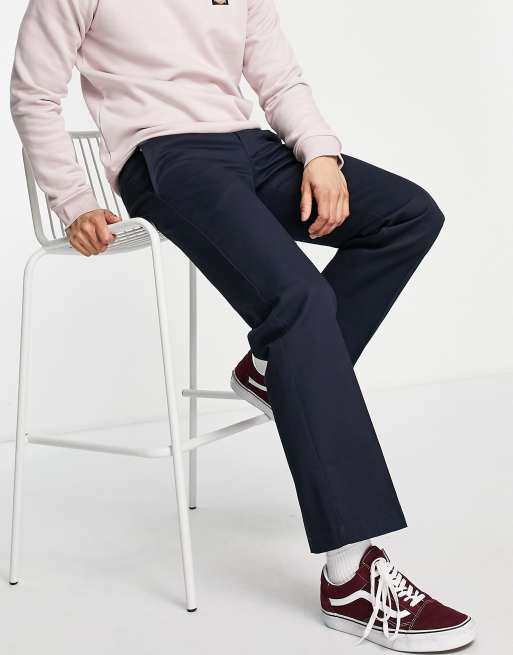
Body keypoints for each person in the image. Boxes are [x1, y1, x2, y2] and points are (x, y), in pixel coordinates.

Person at [10, 1, 475, 651]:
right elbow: (33, 92)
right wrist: (74, 199)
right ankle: (350, 576)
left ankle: (270, 369)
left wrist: (320, 153)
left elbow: (278, 79)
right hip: (164, 158)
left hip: (251, 148)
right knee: (298, 298)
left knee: (407, 214)